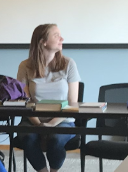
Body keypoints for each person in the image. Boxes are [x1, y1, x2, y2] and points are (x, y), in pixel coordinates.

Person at [16, 24, 80, 172]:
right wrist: (38, 124)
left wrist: (51, 124)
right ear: (43, 41)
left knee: (55, 139)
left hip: (63, 120)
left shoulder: (69, 64)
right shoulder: (25, 66)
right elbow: (25, 101)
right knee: (28, 138)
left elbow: (72, 103)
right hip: (32, 119)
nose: (62, 38)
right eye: (56, 35)